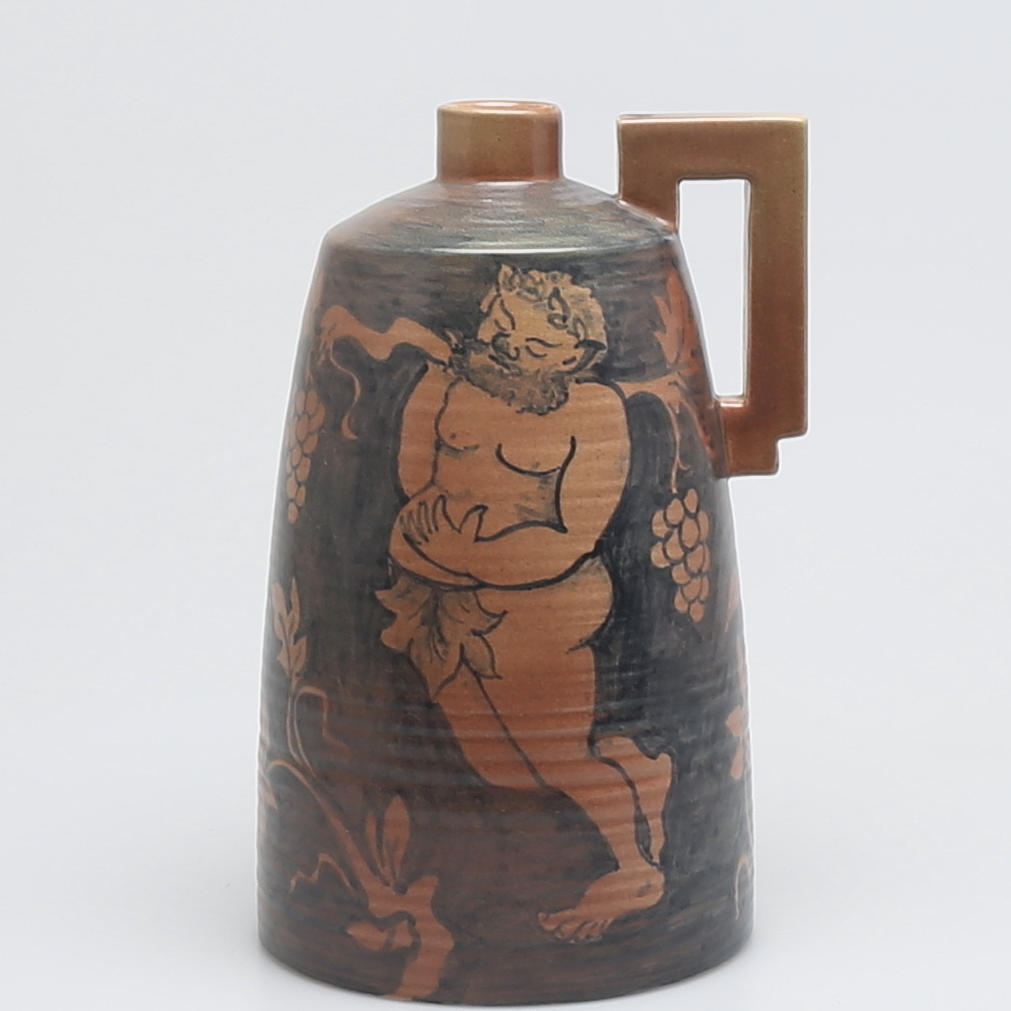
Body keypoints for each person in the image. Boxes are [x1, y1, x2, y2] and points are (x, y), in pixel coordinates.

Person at [328, 265, 674, 943]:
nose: (510, 349)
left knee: (555, 755)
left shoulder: (594, 411)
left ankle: (636, 871)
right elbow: (415, 486)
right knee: (501, 767)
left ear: (575, 354)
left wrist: (470, 556)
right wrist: (434, 552)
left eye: (534, 344)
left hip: (545, 604)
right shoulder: (445, 384)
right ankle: (637, 769)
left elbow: (575, 535)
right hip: (441, 599)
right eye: (500, 331)